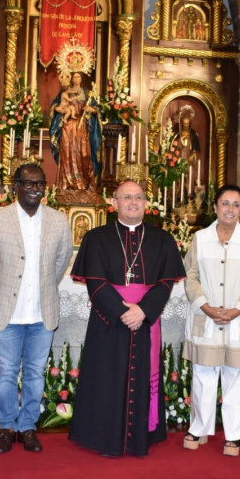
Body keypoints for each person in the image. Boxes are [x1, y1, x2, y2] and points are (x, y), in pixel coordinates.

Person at [68, 180, 186, 456]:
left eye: (139, 197)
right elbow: (95, 283)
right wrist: (123, 312)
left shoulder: (162, 239)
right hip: (108, 321)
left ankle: (142, 436)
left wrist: (143, 311)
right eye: (127, 197)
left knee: (143, 376)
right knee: (105, 375)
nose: (133, 202)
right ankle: (102, 436)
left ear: (146, 203)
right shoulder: (96, 238)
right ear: (115, 203)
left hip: (146, 320)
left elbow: (166, 283)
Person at [0, 163, 73, 454]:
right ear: (15, 186)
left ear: (46, 187)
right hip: (8, 313)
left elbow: (60, 263)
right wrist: (3, 287)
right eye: (28, 184)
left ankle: (27, 426)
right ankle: (6, 427)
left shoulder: (58, 221)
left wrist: (43, 288)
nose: (34, 189)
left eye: (39, 184)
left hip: (42, 314)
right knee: (5, 372)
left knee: (34, 372)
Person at [182, 184, 240, 457]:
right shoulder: (200, 238)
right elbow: (190, 276)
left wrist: (236, 309)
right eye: (225, 203)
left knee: (235, 378)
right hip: (205, 317)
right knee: (203, 376)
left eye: (236, 204)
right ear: (215, 207)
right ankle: (199, 428)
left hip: (239, 320)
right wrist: (205, 306)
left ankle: (233, 435)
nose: (230, 209)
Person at [49, 71, 102, 193]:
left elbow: (97, 108)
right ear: (71, 79)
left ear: (81, 78)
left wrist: (92, 109)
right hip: (68, 125)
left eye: (79, 76)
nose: (77, 79)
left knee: (84, 153)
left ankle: (84, 182)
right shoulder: (66, 91)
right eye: (74, 77)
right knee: (67, 152)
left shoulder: (88, 93)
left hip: (82, 125)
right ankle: (66, 183)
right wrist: (57, 109)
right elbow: (55, 105)